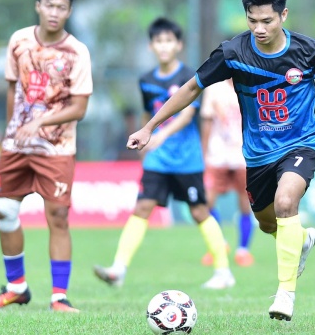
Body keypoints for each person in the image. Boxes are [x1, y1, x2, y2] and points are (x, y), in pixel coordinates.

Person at [127, 0, 315, 321]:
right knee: (269, 224)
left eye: (267, 20)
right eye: (252, 21)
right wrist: (149, 127)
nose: (259, 28)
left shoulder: (309, 51)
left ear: (283, 15)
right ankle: (302, 240)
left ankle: (285, 295)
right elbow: (191, 89)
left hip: (302, 142)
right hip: (258, 154)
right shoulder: (232, 52)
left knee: (285, 201)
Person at [93, 17, 235, 290]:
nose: (164, 46)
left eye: (169, 41)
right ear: (151, 46)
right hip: (157, 158)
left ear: (178, 45)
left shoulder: (188, 77)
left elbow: (187, 114)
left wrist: (159, 134)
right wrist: (146, 142)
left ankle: (223, 271)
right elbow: (149, 113)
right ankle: (118, 269)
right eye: (159, 41)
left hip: (186, 158)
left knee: (198, 211)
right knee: (142, 207)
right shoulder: (145, 80)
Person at [0, 0, 92, 313]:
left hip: (57, 147)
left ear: (69, 11)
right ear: (38, 6)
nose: (54, 12)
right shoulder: (18, 41)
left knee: (57, 216)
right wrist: (13, 130)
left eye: (61, 6)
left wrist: (40, 122)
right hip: (17, 145)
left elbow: (80, 107)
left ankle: (59, 297)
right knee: (4, 210)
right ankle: (16, 288)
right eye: (49, 5)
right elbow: (12, 90)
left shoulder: (77, 52)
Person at [200, 78, 256, 268]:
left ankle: (243, 250)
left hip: (243, 154)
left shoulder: (251, 85)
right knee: (207, 203)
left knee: (245, 203)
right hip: (218, 154)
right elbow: (207, 121)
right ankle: (219, 244)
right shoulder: (214, 89)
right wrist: (204, 153)